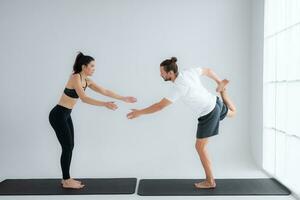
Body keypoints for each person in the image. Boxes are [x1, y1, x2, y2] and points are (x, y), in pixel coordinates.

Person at [127, 57, 236, 189]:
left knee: (200, 147)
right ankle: (223, 91)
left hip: (208, 113)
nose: (160, 74)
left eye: (162, 72)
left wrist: (140, 112)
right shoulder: (188, 72)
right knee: (233, 113)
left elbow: (160, 106)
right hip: (215, 102)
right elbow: (208, 71)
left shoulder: (179, 86)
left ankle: (210, 181)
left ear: (171, 73)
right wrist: (219, 81)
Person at [49, 52, 137, 189]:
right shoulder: (75, 77)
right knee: (67, 147)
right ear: (84, 67)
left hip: (66, 114)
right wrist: (104, 104)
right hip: (58, 114)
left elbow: (105, 91)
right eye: (92, 66)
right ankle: (66, 180)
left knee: (70, 146)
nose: (94, 68)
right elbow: (83, 98)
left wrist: (123, 98)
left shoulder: (87, 80)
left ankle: (66, 178)